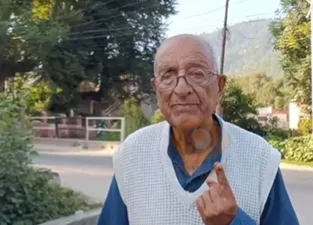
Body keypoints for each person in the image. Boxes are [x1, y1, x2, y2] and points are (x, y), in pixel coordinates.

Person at [98, 34, 299, 225]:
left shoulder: (258, 158)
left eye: (196, 74)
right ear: (156, 88)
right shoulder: (133, 154)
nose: (181, 89)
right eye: (168, 75)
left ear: (220, 86)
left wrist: (233, 221)